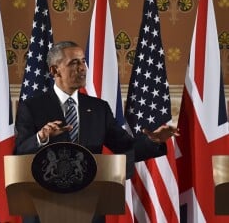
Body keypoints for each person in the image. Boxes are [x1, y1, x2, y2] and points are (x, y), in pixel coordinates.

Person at [14, 41, 179, 223]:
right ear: (54, 71)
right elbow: (19, 153)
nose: (82, 68)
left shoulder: (99, 108)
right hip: (43, 209)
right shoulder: (32, 107)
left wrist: (153, 140)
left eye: (83, 62)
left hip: (89, 208)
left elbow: (126, 147)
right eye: (74, 63)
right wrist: (41, 137)